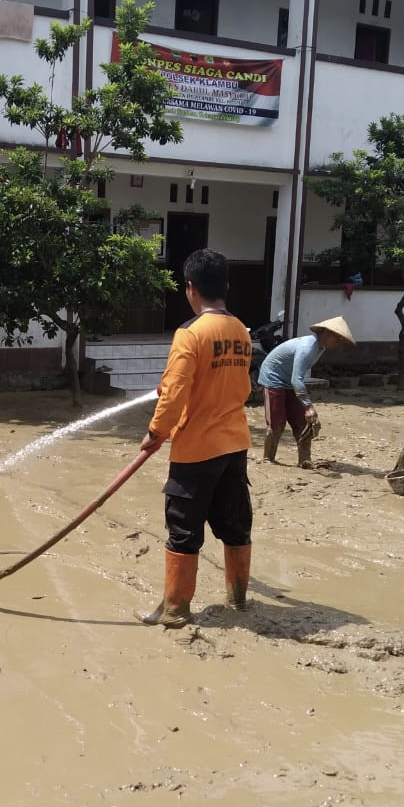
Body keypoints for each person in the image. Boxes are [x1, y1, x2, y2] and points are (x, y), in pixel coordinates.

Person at [139, 249, 253, 629]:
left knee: (184, 530)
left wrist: (156, 432)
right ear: (226, 287)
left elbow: (173, 394)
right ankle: (238, 598)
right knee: (235, 524)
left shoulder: (189, 334)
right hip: (234, 445)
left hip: (197, 450)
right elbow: (239, 387)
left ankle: (175, 610)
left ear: (190, 288)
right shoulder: (241, 331)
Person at [257, 315, 356, 468]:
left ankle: (304, 460)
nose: (337, 343)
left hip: (289, 380)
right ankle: (268, 459)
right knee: (277, 422)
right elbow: (297, 379)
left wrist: (306, 406)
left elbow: (296, 379)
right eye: (337, 339)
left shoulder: (319, 347)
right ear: (327, 333)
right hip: (273, 378)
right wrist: (309, 406)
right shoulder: (308, 348)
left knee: (302, 422)